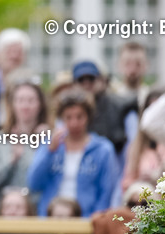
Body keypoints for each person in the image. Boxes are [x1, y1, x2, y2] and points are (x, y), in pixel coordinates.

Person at [27, 89, 118, 217]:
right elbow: (34, 183)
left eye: (79, 116)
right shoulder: (51, 143)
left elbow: (106, 191)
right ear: (61, 119)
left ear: (88, 117)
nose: (74, 123)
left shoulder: (103, 149)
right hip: (51, 216)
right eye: (68, 117)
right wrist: (49, 152)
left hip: (86, 219)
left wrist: (97, 218)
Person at [0, 78, 50, 212]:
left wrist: (46, 147)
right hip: (3, 212)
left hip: (38, 211)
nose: (25, 106)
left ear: (40, 104)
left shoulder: (50, 139)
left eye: (31, 101)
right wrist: (12, 159)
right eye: (20, 100)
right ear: (12, 105)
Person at [110, 42, 151, 109]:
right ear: (119, 65)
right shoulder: (111, 99)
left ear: (146, 65)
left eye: (138, 64)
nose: (132, 69)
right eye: (127, 64)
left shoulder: (151, 99)